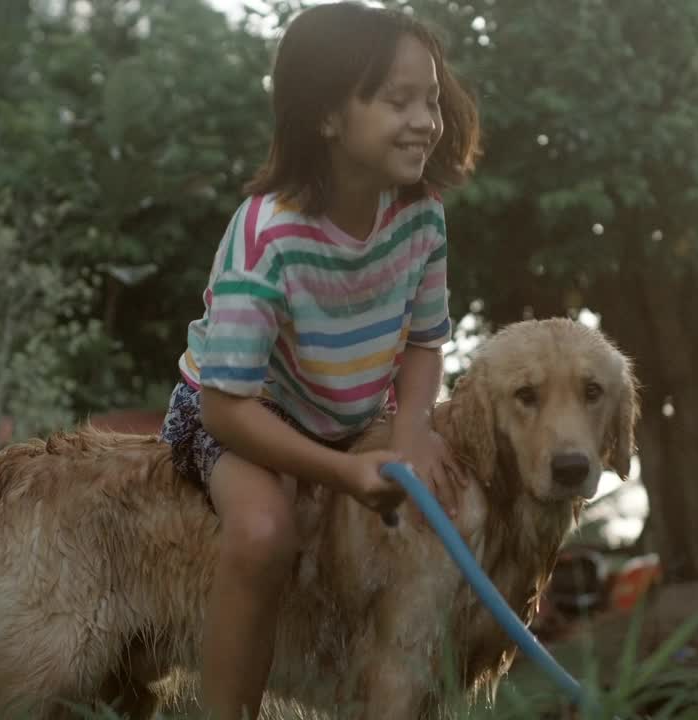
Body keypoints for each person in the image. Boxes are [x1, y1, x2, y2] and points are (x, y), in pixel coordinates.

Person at [158, 3, 481, 718]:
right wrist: (340, 472)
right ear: (327, 116)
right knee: (264, 531)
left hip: (351, 411)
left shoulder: (420, 218)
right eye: (398, 100)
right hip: (242, 415)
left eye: (430, 98)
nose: (426, 118)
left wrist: (413, 428)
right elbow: (224, 405)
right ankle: (228, 713)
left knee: (443, 505)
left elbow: (426, 341)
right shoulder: (267, 238)